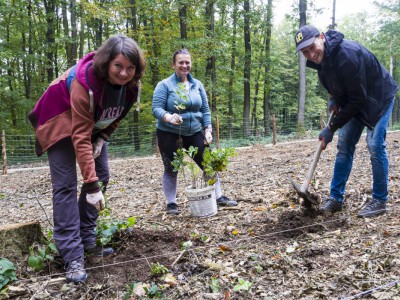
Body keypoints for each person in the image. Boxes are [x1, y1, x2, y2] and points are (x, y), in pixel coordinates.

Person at [28, 34, 146, 283]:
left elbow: (116, 117)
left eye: (130, 68)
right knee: (66, 186)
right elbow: (79, 137)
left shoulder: (131, 88)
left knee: (101, 175)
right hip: (58, 120)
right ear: (106, 63)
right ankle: (72, 255)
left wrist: (102, 137)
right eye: (118, 66)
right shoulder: (85, 84)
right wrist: (90, 186)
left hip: (90, 125)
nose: (124, 73)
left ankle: (87, 241)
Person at [294, 25, 398, 218]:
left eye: (311, 46)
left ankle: (380, 199)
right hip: (355, 99)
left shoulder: (347, 55)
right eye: (304, 51)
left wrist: (331, 128)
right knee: (344, 145)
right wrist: (333, 98)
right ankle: (335, 198)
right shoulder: (321, 60)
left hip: (378, 98)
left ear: (322, 38)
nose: (310, 53)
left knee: (375, 145)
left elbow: (358, 100)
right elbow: (335, 85)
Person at [152, 48, 237, 215]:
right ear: (173, 64)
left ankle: (218, 196)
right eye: (181, 62)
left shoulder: (197, 85)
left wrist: (208, 129)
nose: (184, 65)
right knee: (171, 168)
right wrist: (169, 117)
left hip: (195, 132)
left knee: (209, 163)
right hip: (169, 133)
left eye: (187, 62)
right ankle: (171, 204)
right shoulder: (164, 85)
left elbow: (205, 110)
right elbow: (156, 109)